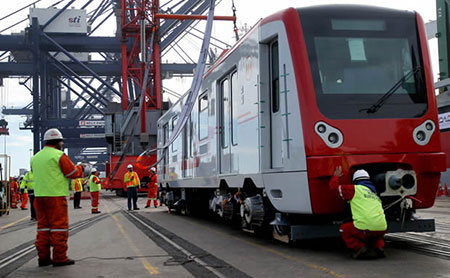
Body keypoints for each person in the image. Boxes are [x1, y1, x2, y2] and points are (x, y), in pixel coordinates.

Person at [31, 128, 84, 267]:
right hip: (55, 196)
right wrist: (81, 168)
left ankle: (43, 258)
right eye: (61, 141)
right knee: (59, 227)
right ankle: (60, 258)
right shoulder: (59, 155)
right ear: (58, 142)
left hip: (39, 196)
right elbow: (72, 173)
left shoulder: (35, 157)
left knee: (43, 228)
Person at [330, 166, 387, 259]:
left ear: (355, 181)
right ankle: (379, 247)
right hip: (382, 228)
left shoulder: (354, 189)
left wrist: (336, 177)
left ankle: (360, 248)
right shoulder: (374, 193)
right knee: (375, 230)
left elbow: (334, 188)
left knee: (344, 228)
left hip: (366, 228)